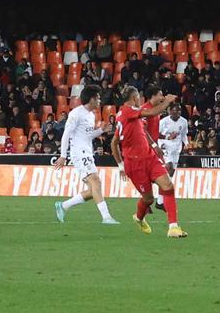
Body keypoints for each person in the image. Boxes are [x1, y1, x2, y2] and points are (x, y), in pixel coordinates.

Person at [53, 85, 117, 225]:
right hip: (79, 153)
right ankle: (106, 217)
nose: (100, 101)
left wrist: (101, 131)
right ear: (92, 99)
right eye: (98, 98)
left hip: (87, 151)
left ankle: (63, 206)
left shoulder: (91, 115)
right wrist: (63, 155)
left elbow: (87, 136)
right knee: (95, 181)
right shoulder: (76, 114)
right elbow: (66, 134)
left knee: (93, 189)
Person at [113, 86, 171, 232]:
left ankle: (174, 225)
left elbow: (114, 142)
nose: (140, 100)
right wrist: (168, 101)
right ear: (134, 98)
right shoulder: (128, 111)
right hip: (135, 162)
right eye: (138, 97)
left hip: (148, 157)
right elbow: (152, 112)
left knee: (167, 185)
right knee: (148, 198)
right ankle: (139, 217)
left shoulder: (123, 114)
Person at [154, 96, 190, 236]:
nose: (177, 113)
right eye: (174, 111)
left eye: (179, 111)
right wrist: (167, 138)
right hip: (165, 146)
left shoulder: (184, 122)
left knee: (170, 174)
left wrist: (186, 144)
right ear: (169, 111)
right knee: (168, 167)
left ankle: (160, 201)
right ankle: (160, 200)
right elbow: (156, 134)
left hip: (176, 149)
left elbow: (184, 135)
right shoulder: (163, 122)